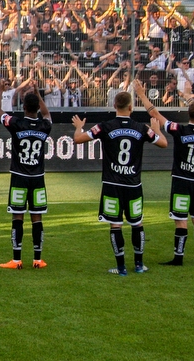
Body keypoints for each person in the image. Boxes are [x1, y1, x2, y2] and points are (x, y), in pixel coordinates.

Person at [72, 91, 167, 276]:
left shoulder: (104, 126)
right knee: (137, 223)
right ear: (131, 107)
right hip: (133, 184)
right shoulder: (141, 128)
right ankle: (139, 265)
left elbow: (78, 139)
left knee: (115, 225)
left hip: (112, 184)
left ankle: (121, 267)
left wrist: (78, 127)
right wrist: (156, 130)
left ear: (114, 106)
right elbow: (163, 143)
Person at [135, 80, 194, 266]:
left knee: (180, 220)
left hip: (181, 180)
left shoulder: (180, 129)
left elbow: (155, 113)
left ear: (189, 114)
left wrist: (142, 95)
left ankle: (178, 257)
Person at [0, 86, 52, 269]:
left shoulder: (16, 123)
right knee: (37, 218)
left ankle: (16, 260)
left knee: (17, 217)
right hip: (37, 178)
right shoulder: (45, 126)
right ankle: (37, 259)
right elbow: (47, 114)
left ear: (23, 107)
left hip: (19, 177)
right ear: (37, 107)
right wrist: (39, 96)